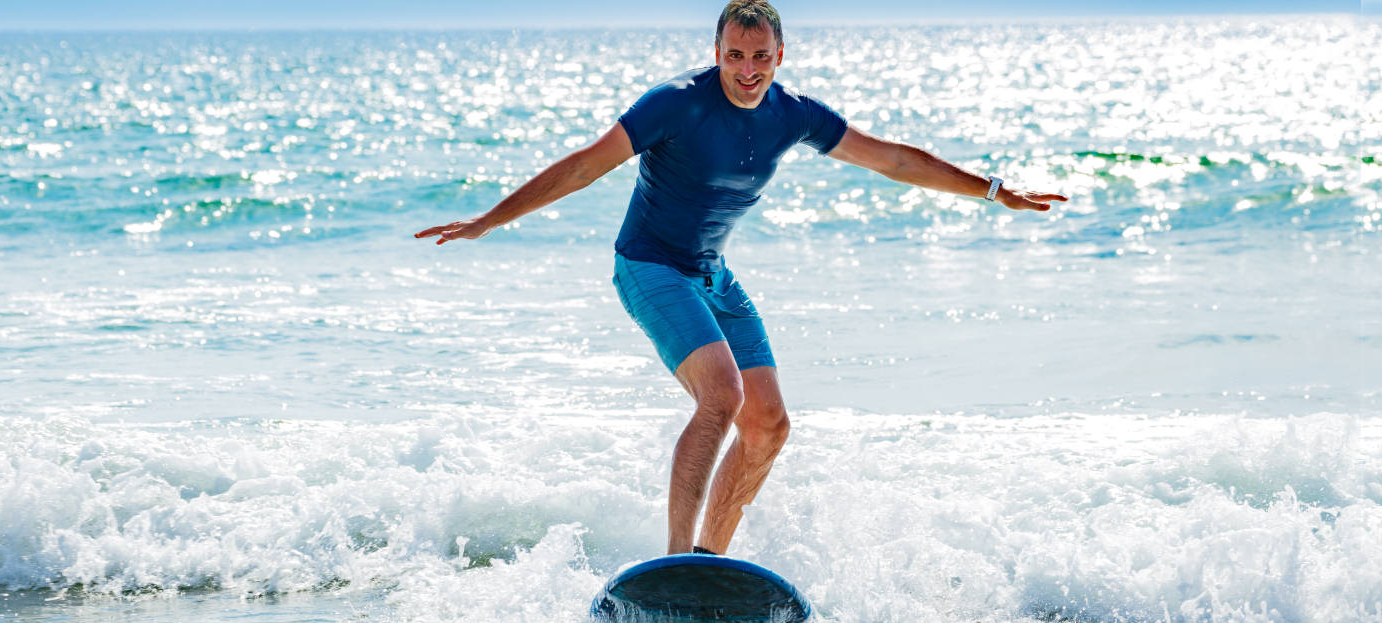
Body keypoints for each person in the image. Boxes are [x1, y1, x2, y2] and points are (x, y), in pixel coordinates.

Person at [416, 0, 1067, 556]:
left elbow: (893, 160)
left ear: (780, 54)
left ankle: (708, 562)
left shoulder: (795, 114)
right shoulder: (673, 105)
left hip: (711, 275)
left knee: (769, 424)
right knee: (721, 396)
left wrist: (992, 190)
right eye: (734, 57)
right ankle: (671, 565)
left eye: (760, 58)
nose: (747, 71)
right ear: (717, 52)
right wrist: (488, 220)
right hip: (648, 264)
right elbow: (584, 168)